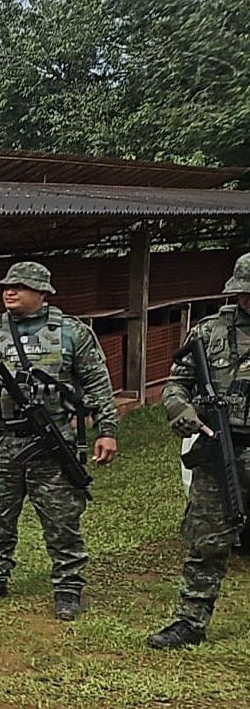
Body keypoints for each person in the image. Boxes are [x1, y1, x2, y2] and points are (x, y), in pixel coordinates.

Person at [0, 261, 118, 621]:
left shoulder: (71, 333)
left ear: (43, 293)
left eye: (20, 286)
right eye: (6, 286)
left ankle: (68, 587)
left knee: (62, 518)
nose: (10, 291)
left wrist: (107, 430)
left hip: (51, 443)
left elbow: (98, 383)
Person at [149, 252, 250, 649]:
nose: (247, 300)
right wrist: (182, 409)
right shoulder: (209, 332)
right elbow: (176, 384)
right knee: (207, 541)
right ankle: (190, 622)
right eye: (243, 293)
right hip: (218, 449)